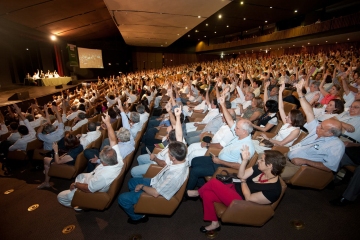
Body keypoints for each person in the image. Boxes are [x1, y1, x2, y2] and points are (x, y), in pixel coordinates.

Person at [186, 146, 286, 232]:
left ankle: (197, 193)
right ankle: (214, 223)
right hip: (234, 188)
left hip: (240, 202)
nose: (259, 161)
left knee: (213, 182)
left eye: (262, 160)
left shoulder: (274, 190)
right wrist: (245, 161)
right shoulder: (259, 169)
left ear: (270, 166)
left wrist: (243, 181)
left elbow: (249, 198)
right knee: (207, 194)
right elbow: (240, 175)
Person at [118, 107, 189, 224]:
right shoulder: (182, 156)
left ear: (173, 157)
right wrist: (176, 116)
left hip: (156, 189)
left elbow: (156, 193)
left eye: (169, 153)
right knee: (131, 182)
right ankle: (139, 202)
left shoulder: (174, 174)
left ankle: (138, 217)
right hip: (157, 180)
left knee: (122, 199)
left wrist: (142, 187)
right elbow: (179, 134)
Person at [186, 96, 255, 190]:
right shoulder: (238, 134)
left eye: (237, 128)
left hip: (222, 165)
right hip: (218, 158)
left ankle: (187, 192)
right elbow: (230, 120)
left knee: (195, 170)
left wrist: (220, 161)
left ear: (244, 131)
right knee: (195, 161)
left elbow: (239, 166)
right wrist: (223, 105)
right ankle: (202, 185)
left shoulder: (248, 147)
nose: (234, 129)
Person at [57, 112, 123, 209]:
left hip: (92, 188)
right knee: (80, 176)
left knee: (60, 196)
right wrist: (108, 124)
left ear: (104, 162)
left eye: (100, 159)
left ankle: (79, 202)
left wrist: (76, 185)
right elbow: (113, 140)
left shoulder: (103, 176)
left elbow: (88, 189)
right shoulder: (118, 158)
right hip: (93, 176)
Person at [281, 80, 345, 180]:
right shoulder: (317, 129)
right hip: (287, 155)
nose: (317, 127)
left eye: (321, 127)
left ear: (330, 133)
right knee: (261, 161)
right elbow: (309, 113)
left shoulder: (336, 145)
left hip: (299, 167)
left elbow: (329, 167)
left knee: (268, 174)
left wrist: (305, 161)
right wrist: (299, 93)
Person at [253, 83, 304, 153]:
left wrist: (268, 139)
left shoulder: (296, 131)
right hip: (272, 142)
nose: (286, 117)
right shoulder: (287, 123)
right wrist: (280, 92)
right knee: (249, 143)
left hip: (277, 148)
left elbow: (281, 143)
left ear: (294, 119)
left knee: (251, 147)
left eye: (288, 117)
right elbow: (281, 108)